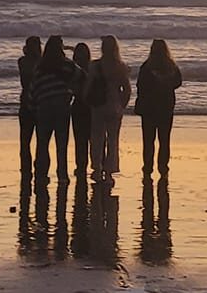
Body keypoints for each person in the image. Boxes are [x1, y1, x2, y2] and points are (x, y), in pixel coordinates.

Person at [29, 36, 81, 183]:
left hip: (43, 107)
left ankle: (41, 174)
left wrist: (33, 108)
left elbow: (33, 88)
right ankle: (62, 175)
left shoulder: (40, 67)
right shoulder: (67, 65)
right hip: (62, 107)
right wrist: (72, 92)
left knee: (42, 143)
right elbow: (82, 76)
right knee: (61, 143)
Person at [85, 35, 131, 183]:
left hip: (98, 105)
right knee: (113, 140)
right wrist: (122, 104)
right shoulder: (120, 66)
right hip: (114, 106)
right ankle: (109, 171)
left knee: (97, 138)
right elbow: (127, 89)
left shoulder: (95, 66)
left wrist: (87, 100)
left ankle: (97, 168)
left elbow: (88, 86)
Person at [134, 38, 183, 177]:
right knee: (164, 140)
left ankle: (147, 167)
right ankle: (163, 167)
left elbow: (140, 86)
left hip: (149, 109)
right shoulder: (171, 66)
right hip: (166, 107)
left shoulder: (147, 67)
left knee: (148, 140)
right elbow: (178, 82)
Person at [16, 36, 42, 173]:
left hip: (26, 101)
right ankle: (38, 168)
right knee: (40, 141)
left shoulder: (22, 61)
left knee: (25, 141)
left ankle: (25, 168)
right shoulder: (42, 63)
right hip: (40, 103)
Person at [69, 42, 95, 177]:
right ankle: (98, 165)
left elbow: (71, 88)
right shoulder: (93, 68)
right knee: (94, 139)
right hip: (92, 107)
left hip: (79, 106)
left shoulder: (74, 70)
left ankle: (81, 167)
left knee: (80, 140)